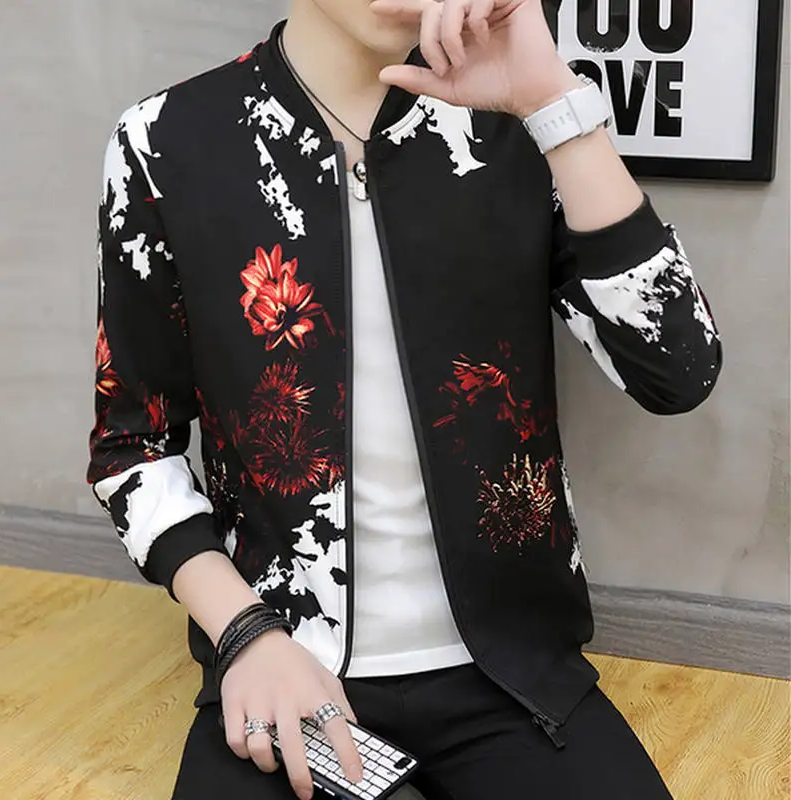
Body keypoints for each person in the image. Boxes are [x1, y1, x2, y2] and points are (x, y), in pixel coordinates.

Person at [88, 0, 722, 798]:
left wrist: (555, 108)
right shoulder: (166, 141)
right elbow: (133, 448)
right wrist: (245, 634)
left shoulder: (519, 125)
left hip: (513, 679)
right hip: (285, 668)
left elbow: (677, 372)